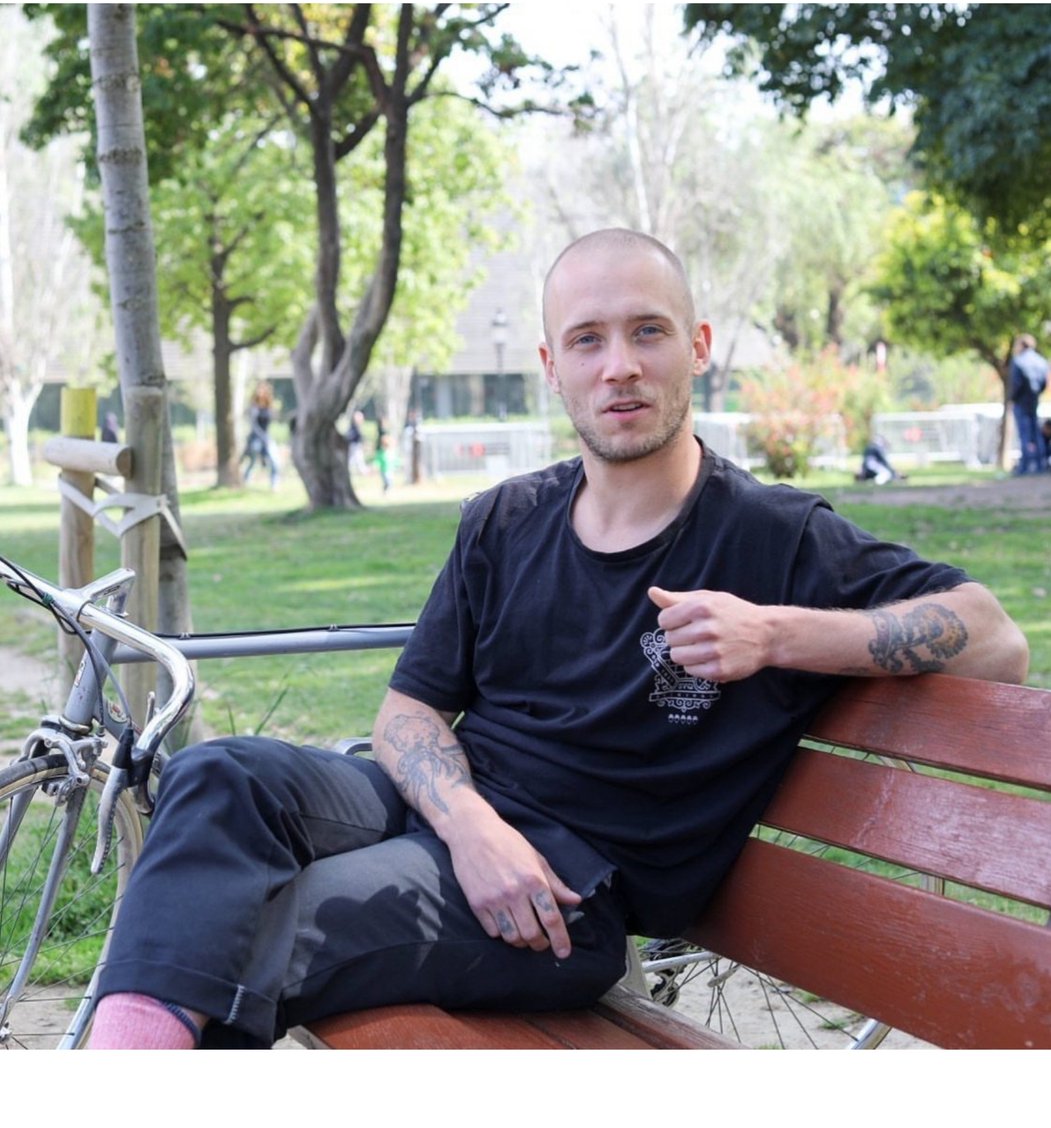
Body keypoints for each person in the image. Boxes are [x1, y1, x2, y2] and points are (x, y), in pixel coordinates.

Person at [87, 228, 1028, 1049]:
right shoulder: (506, 519)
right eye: (587, 339)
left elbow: (994, 640)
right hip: (455, 819)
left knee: (249, 932)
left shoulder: (772, 536)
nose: (619, 365)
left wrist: (774, 634)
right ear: (551, 365)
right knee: (218, 775)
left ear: (697, 348)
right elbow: (408, 712)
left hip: (562, 896)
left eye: (647, 331)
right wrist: (470, 828)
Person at [1009, 333, 1049, 475]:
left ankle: (1025, 466)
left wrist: (1013, 399)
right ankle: (1040, 464)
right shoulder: (1041, 361)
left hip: (1021, 402)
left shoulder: (1018, 361)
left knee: (1024, 435)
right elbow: (1044, 383)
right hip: (1034, 401)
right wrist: (1036, 394)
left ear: (1022, 345)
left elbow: (1016, 384)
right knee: (1036, 433)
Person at [242, 381, 280, 489]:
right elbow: (253, 425)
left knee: (275, 461)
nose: (261, 392)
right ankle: (245, 481)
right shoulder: (254, 407)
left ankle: (274, 484)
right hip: (256, 437)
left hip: (266, 437)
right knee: (253, 461)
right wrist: (262, 437)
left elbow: (273, 420)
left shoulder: (269, 407)